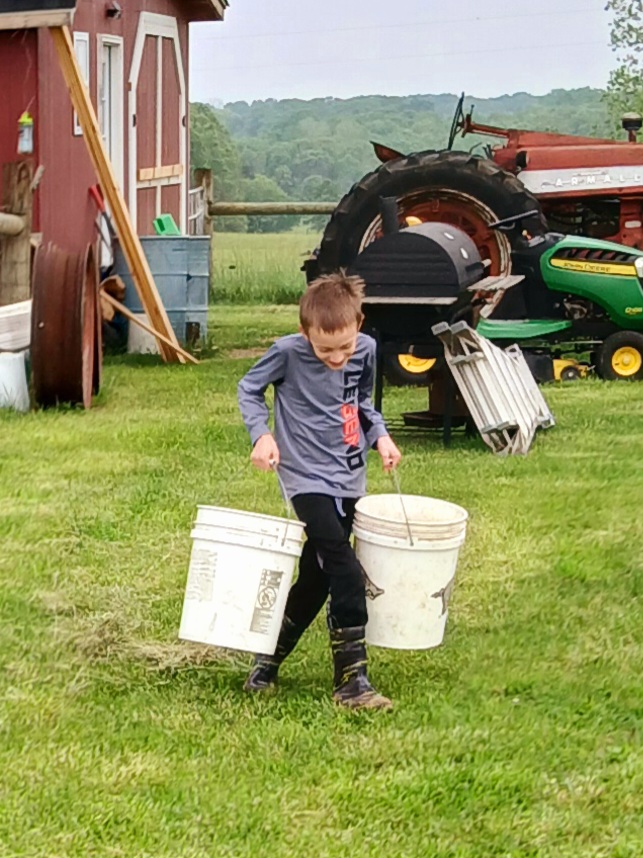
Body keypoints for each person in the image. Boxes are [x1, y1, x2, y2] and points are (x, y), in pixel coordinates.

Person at [237, 271, 402, 711]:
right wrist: (260, 435)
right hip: (305, 478)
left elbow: (363, 405)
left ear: (359, 325)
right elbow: (249, 389)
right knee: (346, 569)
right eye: (325, 348)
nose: (336, 357)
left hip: (348, 478)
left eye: (344, 347)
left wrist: (381, 438)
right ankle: (352, 682)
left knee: (315, 578)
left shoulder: (364, 350)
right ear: (303, 332)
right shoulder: (287, 354)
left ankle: (265, 661)